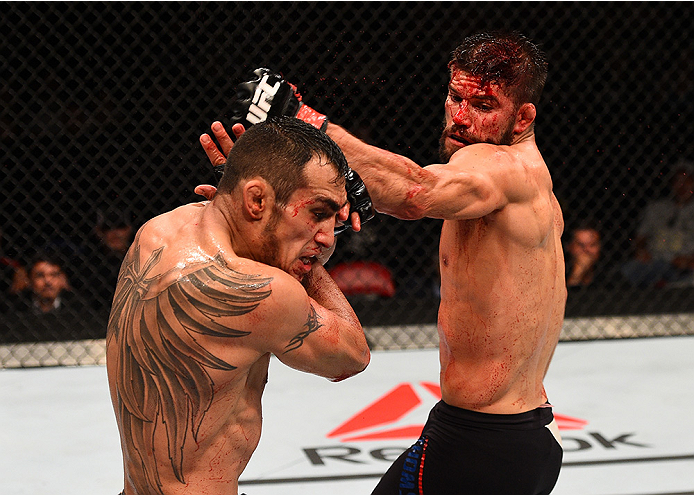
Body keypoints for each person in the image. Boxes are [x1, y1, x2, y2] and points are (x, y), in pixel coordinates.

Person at [201, 31, 565, 494]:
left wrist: (304, 121)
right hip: (528, 436)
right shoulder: (534, 185)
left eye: (484, 105)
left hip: (479, 442)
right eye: (455, 97)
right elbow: (399, 190)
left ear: (523, 116)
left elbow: (415, 193)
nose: (461, 117)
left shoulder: (500, 167)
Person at [107, 117, 370, 495]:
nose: (329, 238)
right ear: (256, 200)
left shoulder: (157, 231)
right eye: (318, 213)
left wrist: (245, 193)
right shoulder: (260, 290)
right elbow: (352, 356)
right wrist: (308, 262)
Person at [621, 163, 694, 287]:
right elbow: (640, 238)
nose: (682, 186)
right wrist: (641, 250)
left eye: (687, 180)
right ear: (671, 183)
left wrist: (689, 260)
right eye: (677, 180)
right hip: (655, 262)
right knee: (626, 271)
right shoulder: (656, 208)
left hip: (684, 267)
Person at [565, 222, 602, 288]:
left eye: (592, 245)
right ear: (570, 247)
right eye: (581, 245)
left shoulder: (610, 275)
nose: (587, 250)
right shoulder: (558, 274)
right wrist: (576, 274)